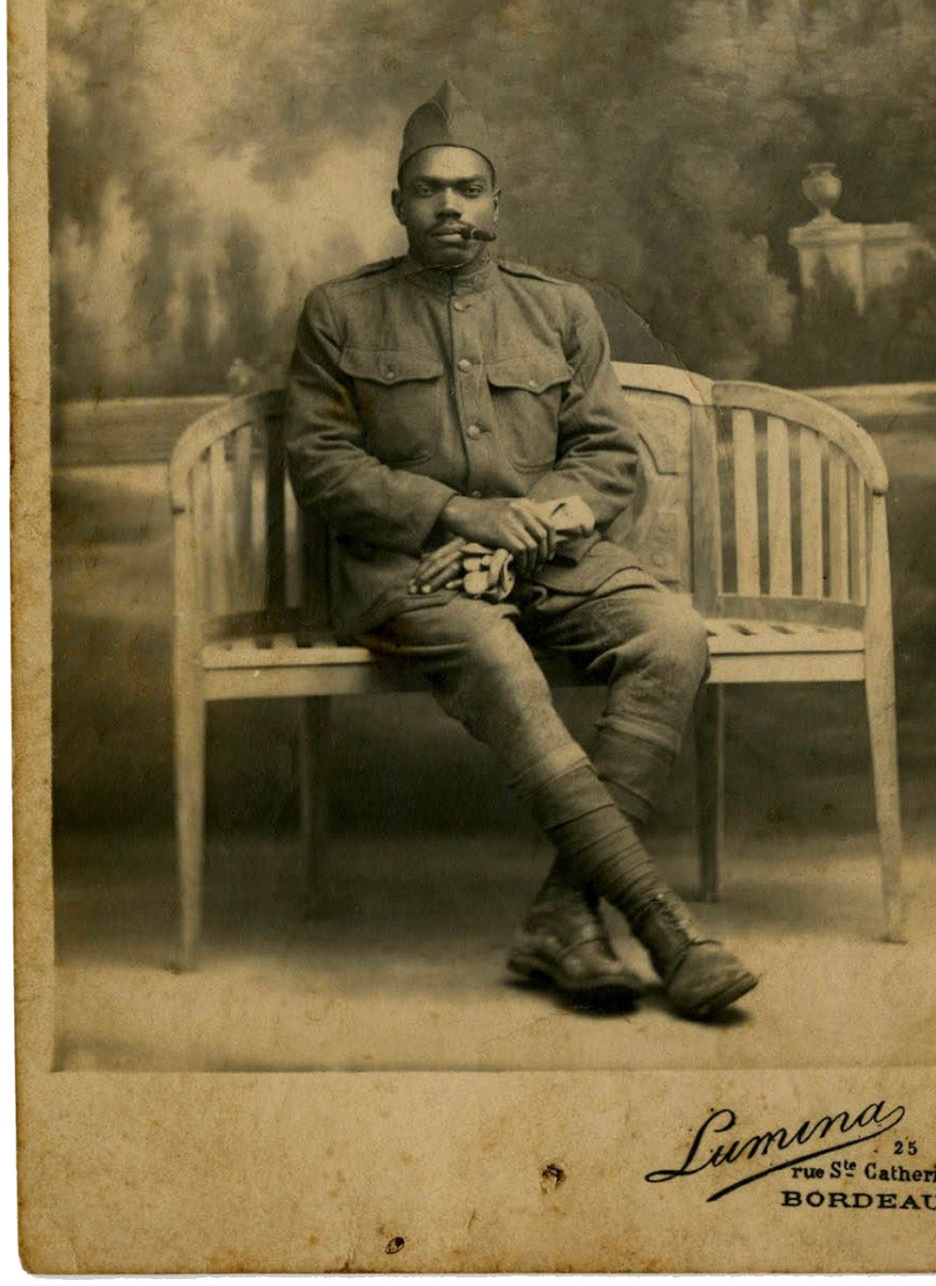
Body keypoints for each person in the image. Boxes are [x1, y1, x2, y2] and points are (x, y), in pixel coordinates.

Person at [285, 80, 757, 1020]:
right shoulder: (341, 312)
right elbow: (323, 465)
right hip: (411, 573)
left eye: (469, 189)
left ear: (498, 204)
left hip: (549, 559)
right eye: (429, 190)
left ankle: (564, 911)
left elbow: (609, 450)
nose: (450, 206)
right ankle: (664, 927)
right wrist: (463, 516)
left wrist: (533, 518)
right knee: (497, 655)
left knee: (671, 633)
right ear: (398, 204)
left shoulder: (559, 309)